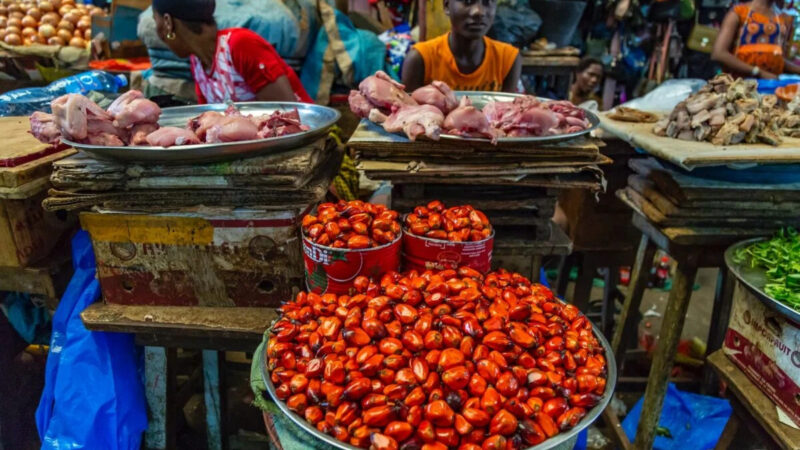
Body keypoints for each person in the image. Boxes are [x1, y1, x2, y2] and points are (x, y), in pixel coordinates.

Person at [152, 0, 312, 104]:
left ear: (168, 23)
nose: (156, 30)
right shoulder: (198, 62)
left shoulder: (240, 45)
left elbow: (286, 115)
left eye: (155, 20)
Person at [401, 0, 522, 93]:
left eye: (487, 2)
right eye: (467, 1)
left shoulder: (508, 59)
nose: (479, 11)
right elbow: (407, 116)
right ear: (447, 6)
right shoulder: (420, 59)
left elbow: (508, 118)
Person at [712, 0, 800, 79]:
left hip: (769, 88)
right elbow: (719, 54)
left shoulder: (782, 20)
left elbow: (775, 58)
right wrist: (758, 72)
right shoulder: (739, 12)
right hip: (738, 86)